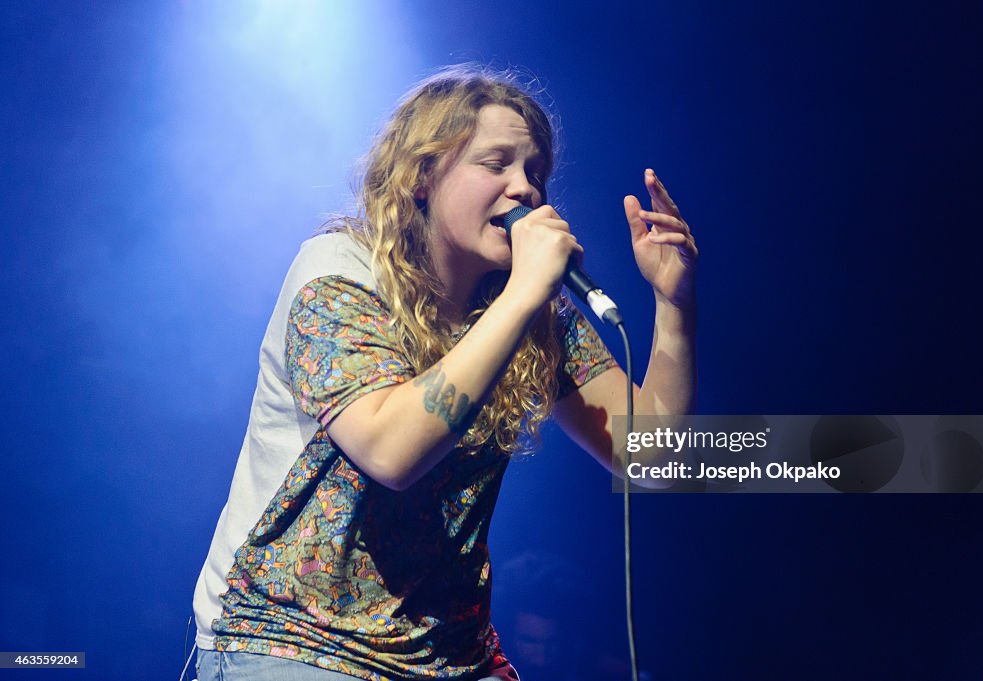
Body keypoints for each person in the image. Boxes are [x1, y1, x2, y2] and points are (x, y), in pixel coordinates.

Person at [191, 64, 697, 681]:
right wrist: (524, 294)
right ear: (422, 176)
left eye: (535, 173)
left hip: (452, 657)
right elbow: (391, 451)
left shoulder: (530, 311)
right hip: (297, 639)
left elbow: (656, 461)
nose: (525, 190)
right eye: (496, 164)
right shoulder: (341, 271)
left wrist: (674, 306)